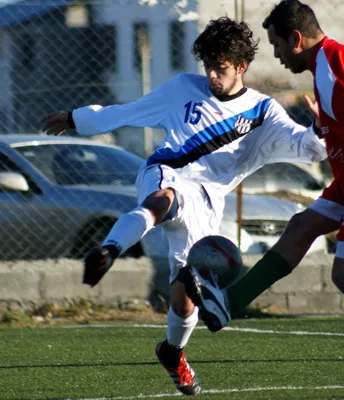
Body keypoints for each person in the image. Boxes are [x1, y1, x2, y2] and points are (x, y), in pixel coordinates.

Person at [41, 16, 326, 396]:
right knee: (168, 198)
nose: (211, 75)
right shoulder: (181, 89)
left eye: (220, 68)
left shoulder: (263, 114)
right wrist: (74, 118)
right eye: (207, 66)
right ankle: (110, 249)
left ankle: (172, 351)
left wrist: (321, 129)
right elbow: (126, 112)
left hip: (207, 204)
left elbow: (307, 148)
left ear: (241, 66)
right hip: (163, 171)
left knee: (185, 293)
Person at [181, 1, 344, 396]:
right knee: (302, 226)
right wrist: (326, 124)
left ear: (296, 40)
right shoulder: (334, 62)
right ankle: (230, 304)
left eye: (277, 45)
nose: (276, 55)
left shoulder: (332, 68)